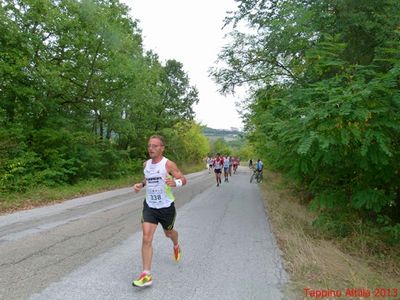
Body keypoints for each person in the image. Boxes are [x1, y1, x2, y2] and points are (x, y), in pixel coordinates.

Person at [132, 135, 187, 288]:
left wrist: (174, 182)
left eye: (155, 146)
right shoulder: (146, 164)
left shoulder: (168, 164)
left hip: (166, 207)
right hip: (150, 206)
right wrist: (140, 185)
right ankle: (146, 274)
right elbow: (147, 179)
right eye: (149, 145)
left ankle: (176, 244)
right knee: (146, 238)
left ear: (162, 148)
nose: (151, 148)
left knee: (168, 233)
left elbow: (183, 179)